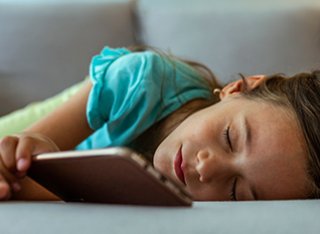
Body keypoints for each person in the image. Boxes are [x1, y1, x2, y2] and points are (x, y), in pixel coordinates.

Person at [0, 46, 319, 201]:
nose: (207, 168)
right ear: (238, 89)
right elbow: (24, 161)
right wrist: (25, 152)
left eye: (237, 192)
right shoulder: (141, 81)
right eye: (229, 137)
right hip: (63, 114)